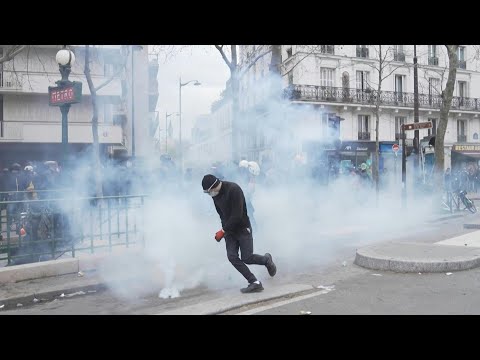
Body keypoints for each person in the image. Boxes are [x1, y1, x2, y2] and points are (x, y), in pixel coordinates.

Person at [201, 174, 276, 293]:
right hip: (229, 231)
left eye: (209, 191)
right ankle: (254, 282)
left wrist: (223, 231)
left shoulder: (234, 189)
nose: (209, 195)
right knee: (232, 257)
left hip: (242, 227)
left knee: (247, 258)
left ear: (214, 186)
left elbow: (237, 215)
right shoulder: (215, 196)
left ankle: (266, 260)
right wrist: (224, 231)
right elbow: (222, 215)